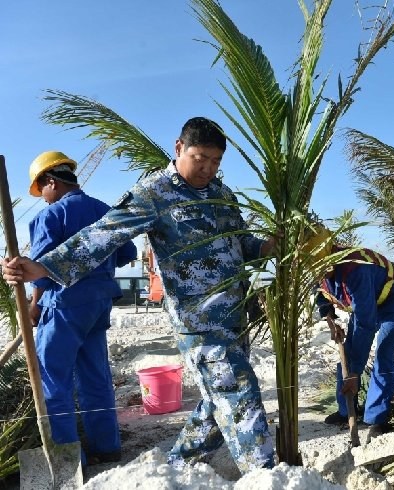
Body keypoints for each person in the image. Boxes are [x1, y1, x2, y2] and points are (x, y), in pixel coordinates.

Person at [3, 118, 275, 472]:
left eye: (215, 161)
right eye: (200, 157)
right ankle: (267, 476)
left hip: (237, 314)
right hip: (199, 321)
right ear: (179, 148)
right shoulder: (154, 193)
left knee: (216, 401)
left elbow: (240, 243)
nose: (207, 168)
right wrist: (45, 267)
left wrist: (267, 246)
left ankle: (176, 470)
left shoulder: (223, 196)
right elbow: (105, 234)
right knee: (239, 396)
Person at [25, 150, 138, 466]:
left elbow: (41, 269)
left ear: (51, 181)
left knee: (51, 379)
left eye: (42, 191)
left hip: (64, 304)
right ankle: (107, 447)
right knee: (94, 377)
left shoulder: (51, 216)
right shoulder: (103, 210)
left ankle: (67, 459)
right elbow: (127, 251)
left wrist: (34, 307)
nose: (44, 199)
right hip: (99, 304)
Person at [314, 237, 394, 441]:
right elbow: (322, 294)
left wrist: (355, 372)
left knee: (383, 352)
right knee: (348, 353)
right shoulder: (316, 269)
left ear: (329, 259)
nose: (315, 274)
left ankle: (377, 419)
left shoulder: (355, 269)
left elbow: (365, 324)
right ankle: (347, 412)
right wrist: (330, 317)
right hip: (368, 301)